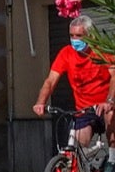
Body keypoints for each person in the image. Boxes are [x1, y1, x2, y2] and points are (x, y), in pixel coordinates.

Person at [32, 15, 114, 149]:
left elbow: (114, 77)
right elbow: (50, 81)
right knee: (78, 149)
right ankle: (81, 169)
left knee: (111, 117)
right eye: (72, 36)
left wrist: (109, 101)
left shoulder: (102, 51)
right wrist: (41, 102)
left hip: (104, 107)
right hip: (84, 110)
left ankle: (112, 159)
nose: (74, 40)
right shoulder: (66, 53)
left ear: (91, 36)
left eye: (79, 35)